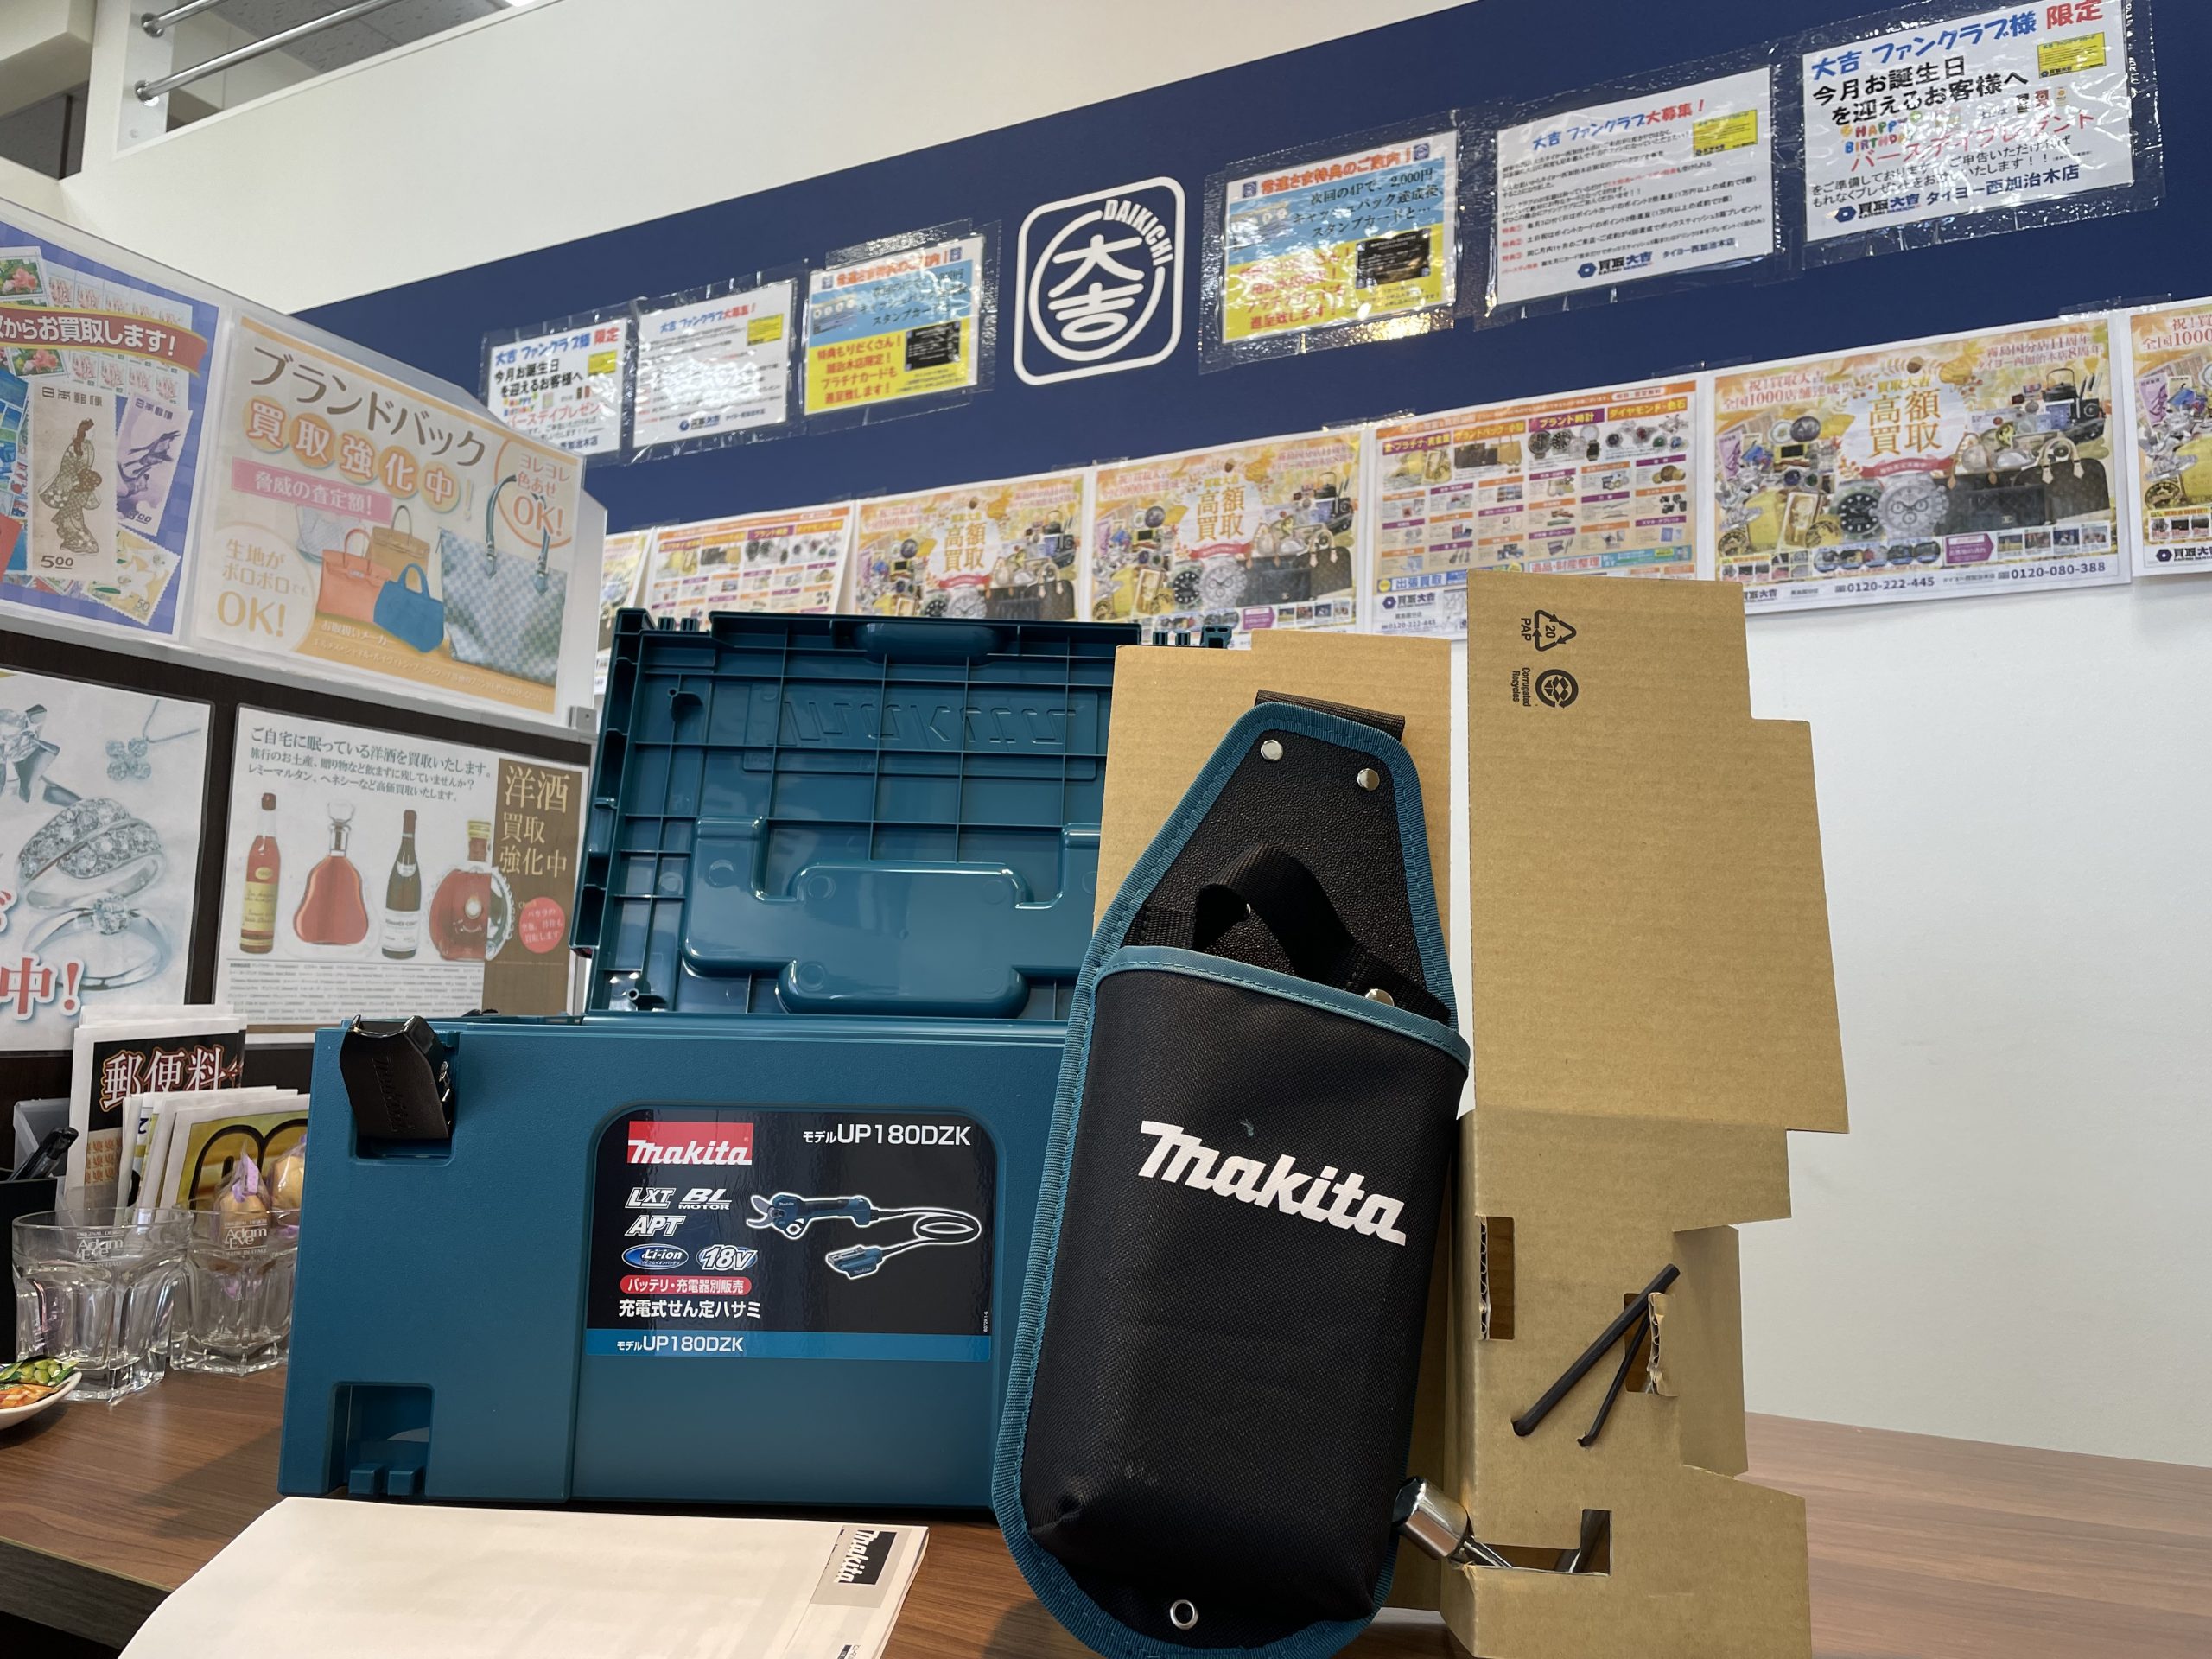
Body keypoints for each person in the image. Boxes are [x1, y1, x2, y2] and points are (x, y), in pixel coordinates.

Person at [38, 417, 103, 562]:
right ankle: (77, 542)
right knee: (74, 516)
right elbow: (66, 468)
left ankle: (72, 538)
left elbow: (87, 467)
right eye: (91, 432)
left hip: (84, 486)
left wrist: (89, 479)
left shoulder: (90, 447)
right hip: (73, 487)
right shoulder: (74, 447)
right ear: (85, 432)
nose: (93, 434)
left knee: (75, 515)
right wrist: (76, 481)